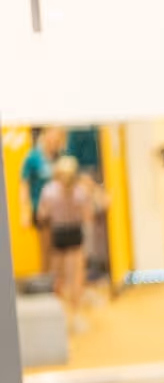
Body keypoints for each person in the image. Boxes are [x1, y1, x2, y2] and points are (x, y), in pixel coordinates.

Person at [34, 154, 91, 334]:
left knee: (59, 277)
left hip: (59, 234)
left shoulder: (49, 190)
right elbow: (87, 216)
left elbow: (42, 216)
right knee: (75, 277)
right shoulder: (81, 192)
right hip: (74, 233)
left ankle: (61, 316)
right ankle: (74, 315)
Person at [20, 125, 64, 267]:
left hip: (61, 209)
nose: (56, 141)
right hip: (41, 209)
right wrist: (24, 210)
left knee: (60, 249)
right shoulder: (33, 157)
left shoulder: (59, 156)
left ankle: (59, 281)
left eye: (58, 138)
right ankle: (48, 281)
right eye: (54, 137)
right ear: (45, 136)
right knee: (47, 247)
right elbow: (24, 184)